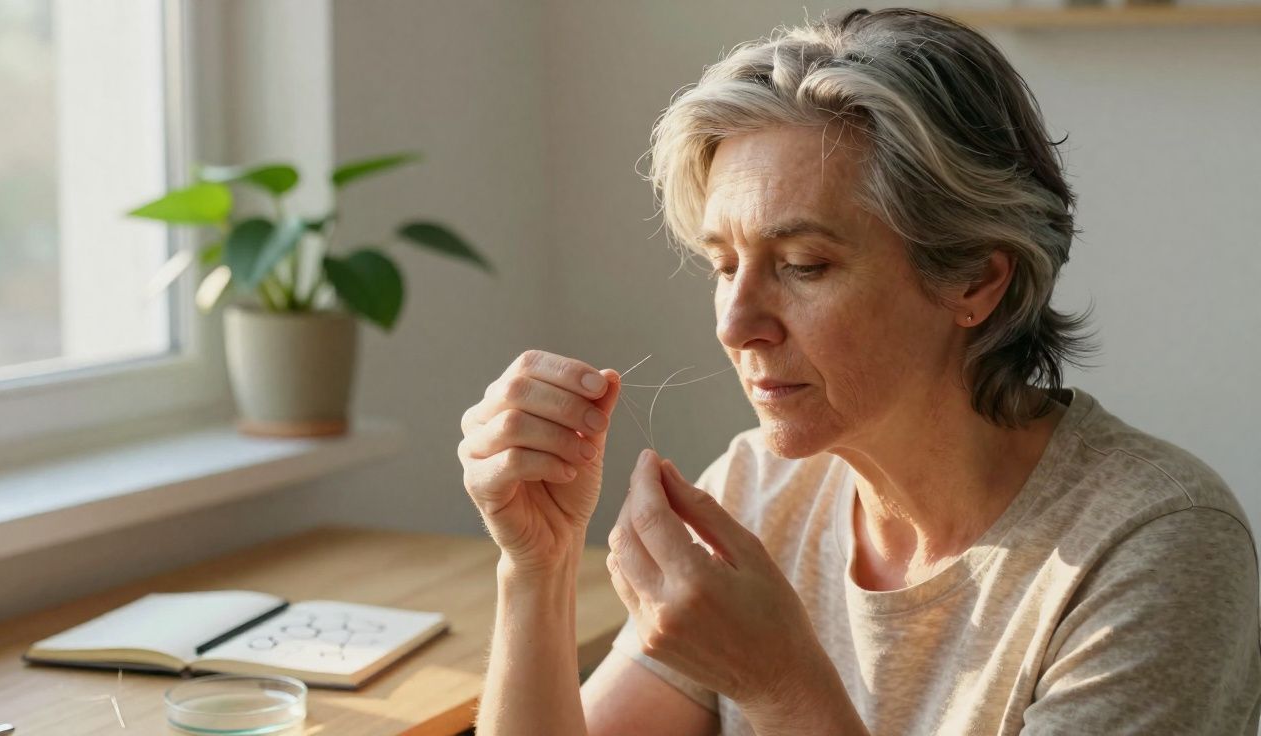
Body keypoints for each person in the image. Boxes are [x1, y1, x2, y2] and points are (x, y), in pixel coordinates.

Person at [457, 8, 1261, 735]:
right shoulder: (757, 490)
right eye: (722, 264)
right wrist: (537, 566)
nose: (736, 324)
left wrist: (782, 688)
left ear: (977, 279)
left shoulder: (1156, 547)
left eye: (803, 265)